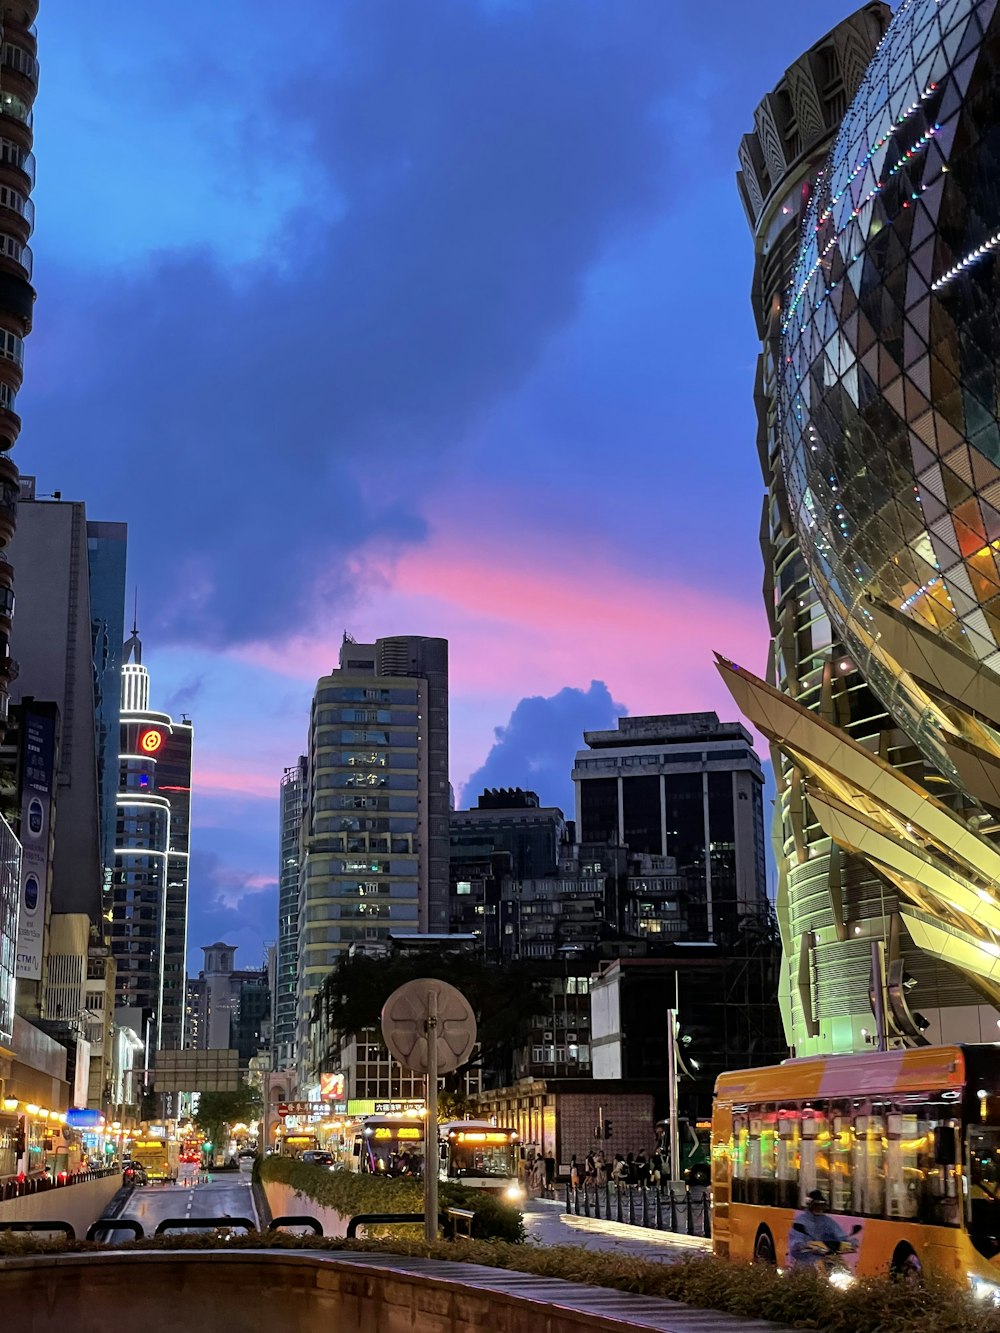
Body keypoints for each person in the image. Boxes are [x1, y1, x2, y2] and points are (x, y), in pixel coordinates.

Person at [789, 1190, 854, 1269]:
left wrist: (849, 1242)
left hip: (827, 1257)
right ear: (811, 1205)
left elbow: (839, 1234)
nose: (819, 1208)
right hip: (806, 1259)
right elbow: (796, 1237)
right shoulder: (801, 1221)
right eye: (816, 1205)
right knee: (806, 1272)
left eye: (822, 1206)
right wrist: (800, 1244)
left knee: (845, 1270)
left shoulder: (827, 1221)